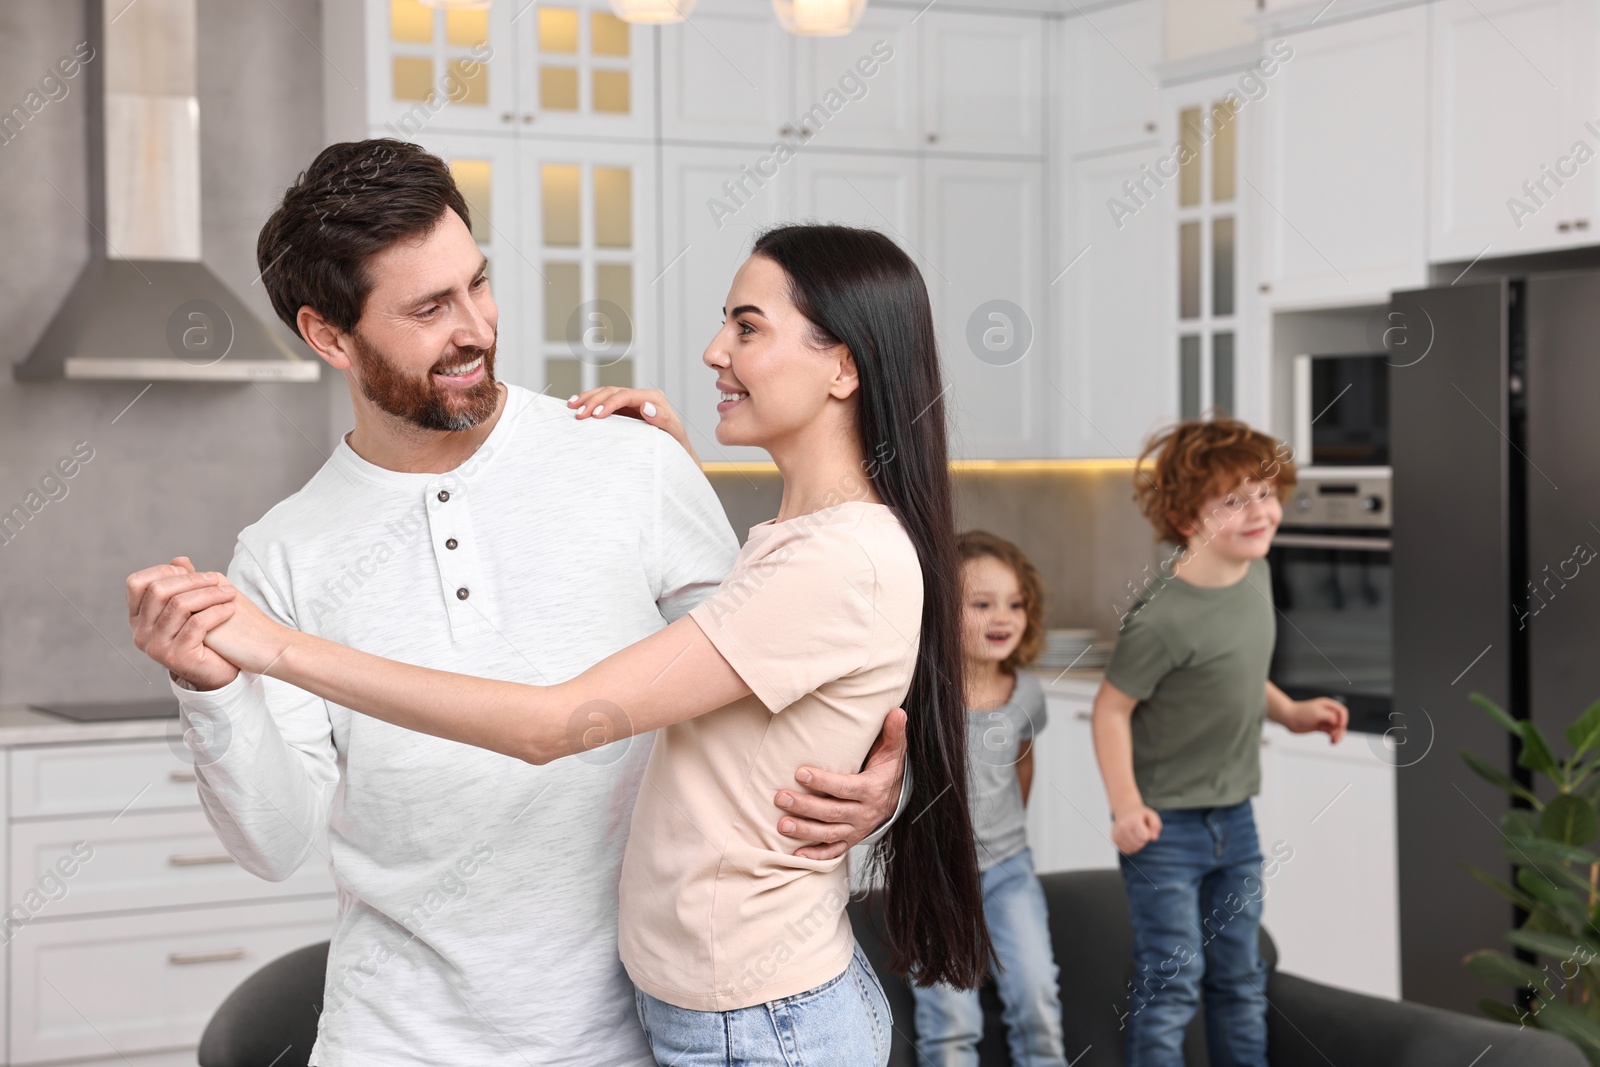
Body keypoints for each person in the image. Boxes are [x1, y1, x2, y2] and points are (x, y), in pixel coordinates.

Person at [125, 141, 909, 1067]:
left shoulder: (628, 457)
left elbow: (768, 681)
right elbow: (273, 841)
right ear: (329, 335)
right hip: (396, 1040)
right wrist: (211, 690)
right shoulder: (283, 553)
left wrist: (873, 790)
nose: (475, 328)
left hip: (636, 1030)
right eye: (428, 308)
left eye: (478, 285)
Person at [1091, 418, 1349, 1067]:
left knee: (1240, 975)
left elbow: (1234, 673)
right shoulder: (1161, 616)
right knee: (1172, 982)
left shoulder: (1254, 574)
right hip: (1163, 829)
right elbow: (1110, 711)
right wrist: (1125, 806)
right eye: (1232, 501)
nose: (1259, 511)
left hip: (1235, 817)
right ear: (1186, 520)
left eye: (1264, 492)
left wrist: (1289, 712)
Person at [912, 531, 1068, 1067]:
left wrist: (1008, 835)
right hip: (935, 876)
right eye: (981, 604)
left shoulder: (1026, 692)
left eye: (1015, 604)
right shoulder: (918, 693)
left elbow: (1021, 761)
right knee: (952, 1024)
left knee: (1036, 999)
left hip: (1009, 868)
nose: (1003, 616)